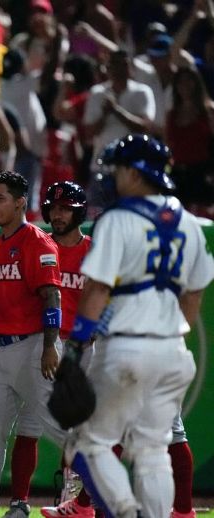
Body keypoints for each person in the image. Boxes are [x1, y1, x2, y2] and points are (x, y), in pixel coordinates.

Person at [63, 134, 213, 518]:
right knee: (152, 452)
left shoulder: (118, 218)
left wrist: (77, 346)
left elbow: (96, 289)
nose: (113, 175)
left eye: (118, 168)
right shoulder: (191, 222)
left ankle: (125, 512)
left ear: (134, 172)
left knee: (89, 444)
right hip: (174, 351)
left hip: (127, 346)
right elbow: (193, 297)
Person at [0, 171, 65, 518]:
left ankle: (100, 500)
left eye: (0, 198)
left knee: (61, 430)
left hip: (35, 347)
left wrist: (50, 347)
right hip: (2, 350)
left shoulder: (38, 242)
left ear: (21, 202)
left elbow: (51, 296)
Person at [11, 181, 91, 513]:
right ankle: (27, 501)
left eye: (65, 209)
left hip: (85, 346)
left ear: (79, 212)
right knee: (34, 425)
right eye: (54, 208)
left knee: (78, 425)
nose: (58, 215)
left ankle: (80, 498)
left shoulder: (95, 251)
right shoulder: (40, 246)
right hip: (45, 342)